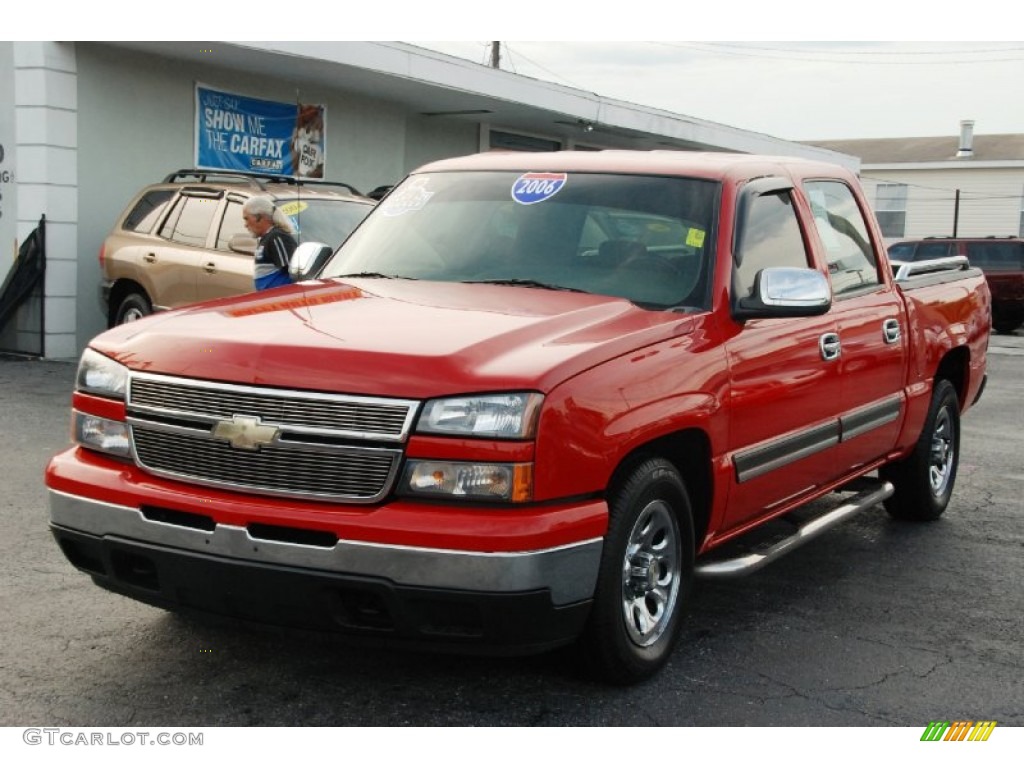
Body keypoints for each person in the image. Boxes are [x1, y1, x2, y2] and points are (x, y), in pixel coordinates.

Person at [242, 196, 298, 291]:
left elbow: (293, 272)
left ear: (259, 217)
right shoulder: (267, 238)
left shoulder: (277, 237)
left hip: (279, 299)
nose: (245, 224)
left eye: (247, 219)